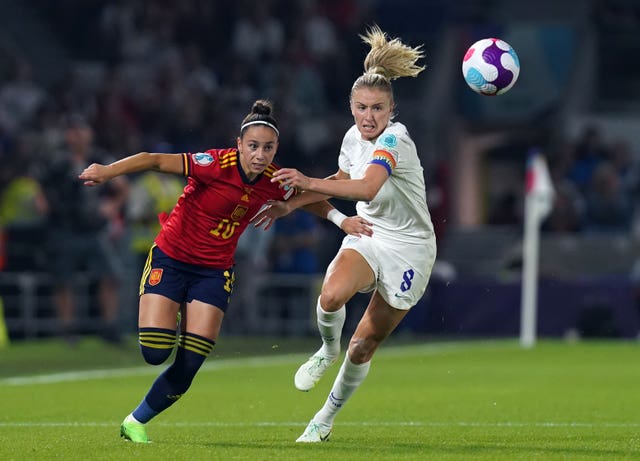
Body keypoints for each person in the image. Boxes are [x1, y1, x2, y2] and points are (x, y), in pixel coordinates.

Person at [78, 99, 372, 444]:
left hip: (214, 272)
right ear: (239, 145)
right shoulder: (215, 163)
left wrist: (341, 220)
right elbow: (154, 160)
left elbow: (311, 196)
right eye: (253, 146)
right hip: (172, 258)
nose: (260, 154)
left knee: (191, 360)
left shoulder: (275, 179)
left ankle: (135, 422)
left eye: (268, 147)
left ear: (276, 148)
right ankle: (170, 309)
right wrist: (107, 170)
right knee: (155, 351)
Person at [251, 25, 437, 442]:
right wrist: (292, 202)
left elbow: (366, 187)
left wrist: (305, 182)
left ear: (392, 111)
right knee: (331, 295)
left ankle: (325, 417)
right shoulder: (354, 137)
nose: (368, 117)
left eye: (377, 109)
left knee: (363, 347)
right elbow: (342, 177)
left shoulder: (396, 140)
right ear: (350, 107)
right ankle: (325, 350)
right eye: (361, 107)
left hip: (411, 249)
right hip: (372, 231)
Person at [38, 115, 129, 344]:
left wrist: (113, 206)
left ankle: (110, 327)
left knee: (109, 276)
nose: (77, 136)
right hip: (64, 227)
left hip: (93, 228)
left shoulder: (99, 158)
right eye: (73, 131)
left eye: (81, 131)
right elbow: (38, 185)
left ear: (89, 134)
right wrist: (45, 206)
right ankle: (67, 329)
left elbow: (122, 186)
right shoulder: (57, 161)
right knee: (63, 280)